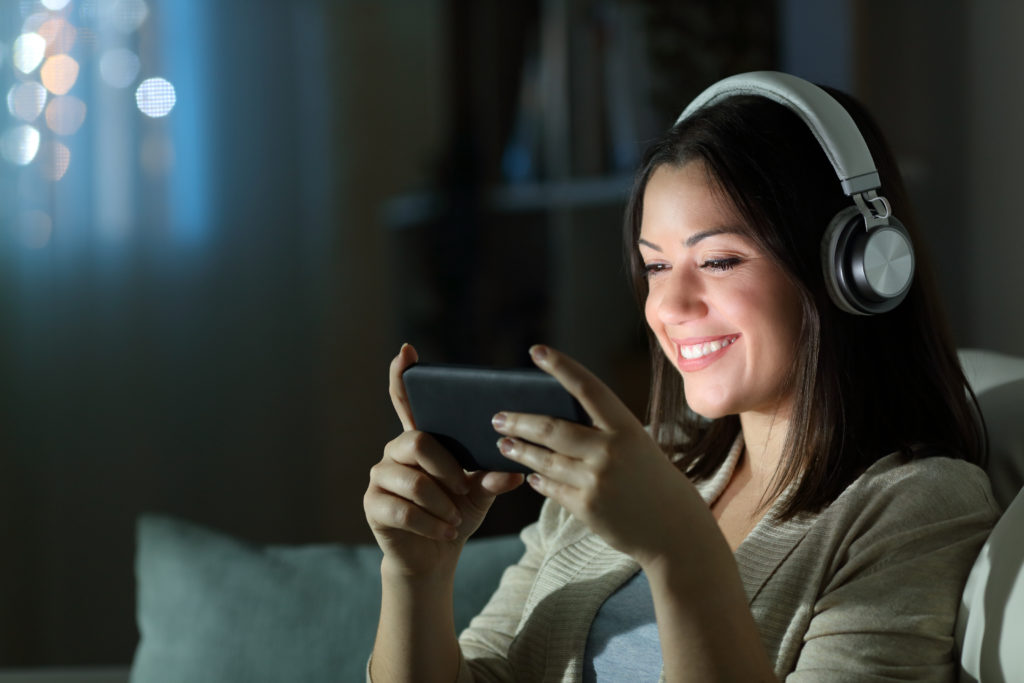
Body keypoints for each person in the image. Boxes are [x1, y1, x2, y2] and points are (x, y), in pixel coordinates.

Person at [362, 72, 1000, 681]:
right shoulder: (641, 461)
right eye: (656, 268)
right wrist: (418, 574)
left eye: (718, 260)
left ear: (858, 268)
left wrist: (678, 551)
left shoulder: (917, 506)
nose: (668, 308)